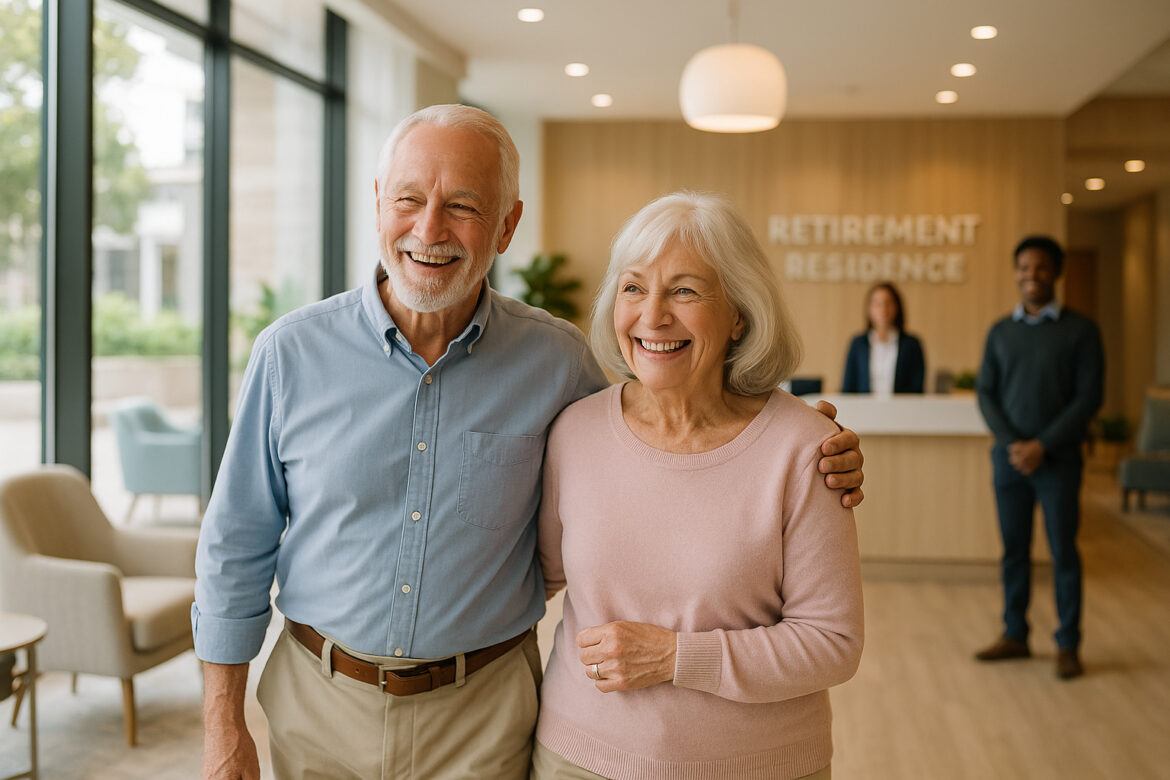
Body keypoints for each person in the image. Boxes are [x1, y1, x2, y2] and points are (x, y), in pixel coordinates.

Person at [193, 105, 867, 780]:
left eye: (462, 206)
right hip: (319, 705)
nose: (429, 229)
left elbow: (663, 432)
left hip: (484, 718)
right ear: (377, 204)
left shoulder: (557, 363)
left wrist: (800, 438)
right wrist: (223, 725)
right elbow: (236, 543)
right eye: (408, 199)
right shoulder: (291, 354)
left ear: (507, 226)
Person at [534, 192, 864, 780]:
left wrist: (674, 657)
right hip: (577, 759)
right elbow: (536, 576)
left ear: (739, 312)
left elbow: (833, 642)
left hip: (758, 767)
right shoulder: (574, 432)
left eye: (684, 290)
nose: (653, 315)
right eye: (634, 287)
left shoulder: (804, 447)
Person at [974, 235, 1103, 680]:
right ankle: (1015, 634)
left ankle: (1068, 643)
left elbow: (1088, 399)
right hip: (1008, 463)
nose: (1031, 275)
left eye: (1041, 268)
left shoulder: (1081, 331)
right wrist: (1015, 444)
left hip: (1058, 463)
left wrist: (1040, 446)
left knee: (1063, 551)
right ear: (1016, 274)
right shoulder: (1000, 331)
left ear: (1056, 272)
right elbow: (986, 393)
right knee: (1014, 551)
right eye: (1024, 268)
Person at [841, 281, 925, 394]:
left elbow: (917, 389)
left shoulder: (912, 344)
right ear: (869, 309)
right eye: (877, 304)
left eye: (888, 303)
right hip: (864, 409)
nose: (883, 309)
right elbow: (848, 388)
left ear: (897, 307)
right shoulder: (858, 344)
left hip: (901, 409)